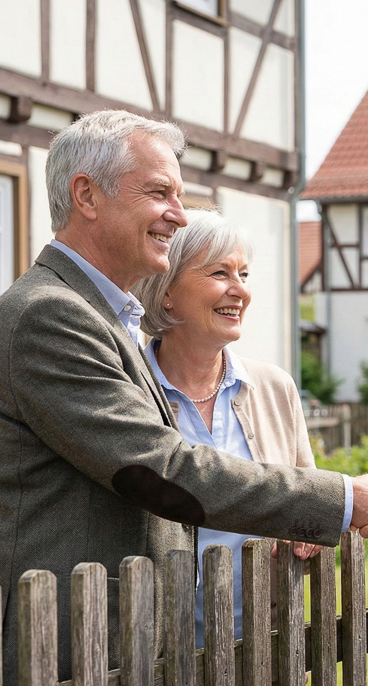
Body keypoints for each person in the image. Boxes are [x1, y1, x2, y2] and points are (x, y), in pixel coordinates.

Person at [0, 109, 368, 686]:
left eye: (179, 196)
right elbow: (159, 469)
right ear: (86, 195)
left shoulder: (101, 315)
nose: (179, 214)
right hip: (63, 660)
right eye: (159, 192)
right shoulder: (51, 316)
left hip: (116, 656)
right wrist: (345, 499)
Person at [132, 208, 314, 645]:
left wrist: (306, 534)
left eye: (244, 274)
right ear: (167, 292)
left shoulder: (275, 388)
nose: (240, 290)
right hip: (160, 655)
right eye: (220, 273)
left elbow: (308, 497)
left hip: (267, 646)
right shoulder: (129, 392)